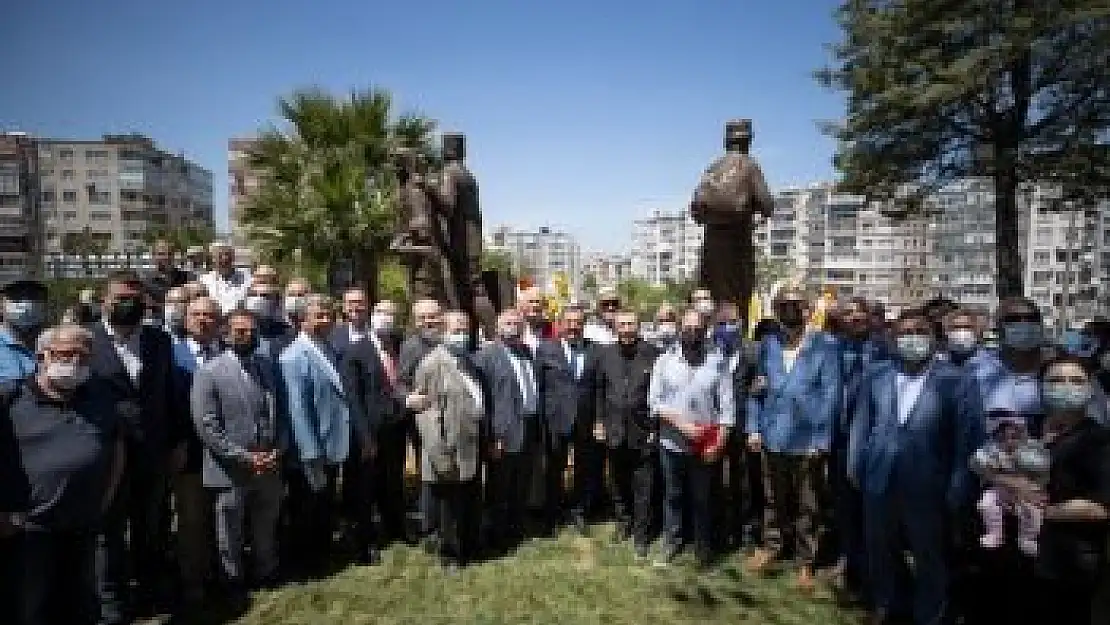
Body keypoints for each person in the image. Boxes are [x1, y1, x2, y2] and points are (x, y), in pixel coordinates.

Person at [848, 308, 972, 625]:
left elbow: (966, 435)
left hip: (928, 482)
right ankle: (889, 604)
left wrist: (960, 480)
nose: (912, 339)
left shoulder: (955, 379)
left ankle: (929, 612)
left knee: (928, 550)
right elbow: (861, 422)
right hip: (878, 475)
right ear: (892, 338)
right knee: (881, 547)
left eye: (920, 332)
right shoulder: (876, 374)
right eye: (904, 332)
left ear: (933, 338)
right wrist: (854, 462)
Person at [0, 325, 125, 625]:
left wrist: (104, 499)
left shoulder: (99, 396)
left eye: (83, 357)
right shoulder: (11, 399)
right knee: (29, 608)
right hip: (29, 529)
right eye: (66, 354)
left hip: (83, 526)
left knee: (80, 606)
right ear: (43, 356)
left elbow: (116, 447)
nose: (75, 364)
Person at [89, 270, 182, 624]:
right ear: (104, 302)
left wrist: (176, 442)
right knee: (107, 534)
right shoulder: (89, 341)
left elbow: (169, 394)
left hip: (153, 452)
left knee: (151, 527)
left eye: (135, 298)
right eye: (120, 298)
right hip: (108, 456)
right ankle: (110, 604)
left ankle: (150, 593)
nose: (128, 304)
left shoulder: (159, 341)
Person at [745, 287, 841, 589]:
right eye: (782, 306)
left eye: (795, 306)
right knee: (773, 499)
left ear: (807, 310)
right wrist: (753, 427)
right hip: (772, 437)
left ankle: (805, 561)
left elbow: (831, 395)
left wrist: (822, 439)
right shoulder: (768, 345)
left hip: (807, 442)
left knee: (808, 504)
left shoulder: (825, 346)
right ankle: (772, 547)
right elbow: (756, 390)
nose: (789, 312)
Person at [192, 308, 286, 594]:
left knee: (265, 519)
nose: (248, 336)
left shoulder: (267, 366)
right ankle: (233, 580)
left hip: (268, 462)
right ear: (226, 334)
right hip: (231, 466)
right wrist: (244, 457)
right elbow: (207, 426)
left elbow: (280, 410)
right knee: (229, 526)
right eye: (240, 331)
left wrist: (277, 449)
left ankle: (266, 570)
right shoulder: (209, 372)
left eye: (252, 330)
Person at [648, 308, 735, 567]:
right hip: (672, 442)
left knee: (702, 498)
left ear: (705, 330)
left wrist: (720, 440)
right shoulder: (664, 361)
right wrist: (680, 423)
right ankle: (672, 543)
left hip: (705, 445)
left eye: (697, 329)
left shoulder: (718, 361)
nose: (692, 334)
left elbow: (727, 407)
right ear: (679, 330)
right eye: (687, 329)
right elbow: (654, 402)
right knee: (672, 496)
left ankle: (703, 547)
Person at [279, 294, 350, 569]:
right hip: (311, 448)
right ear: (302, 320)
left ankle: (323, 550)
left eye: (329, 315)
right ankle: (307, 559)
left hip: (331, 441)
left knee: (323, 502)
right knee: (306, 505)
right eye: (318, 315)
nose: (326, 320)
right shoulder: (294, 357)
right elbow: (297, 410)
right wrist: (310, 452)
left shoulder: (329, 348)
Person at [411, 311, 486, 570]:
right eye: (456, 329)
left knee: (469, 501)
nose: (462, 334)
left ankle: (469, 545)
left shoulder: (468, 361)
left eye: (465, 329)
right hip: (447, 449)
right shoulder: (432, 364)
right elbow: (426, 414)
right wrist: (440, 456)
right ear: (443, 330)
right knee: (450, 509)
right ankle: (450, 555)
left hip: (471, 444)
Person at [342, 299, 407, 562]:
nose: (385, 317)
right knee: (365, 489)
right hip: (368, 432)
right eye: (381, 312)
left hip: (395, 428)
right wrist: (365, 437)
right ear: (372, 315)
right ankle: (365, 542)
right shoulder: (356, 351)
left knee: (392, 483)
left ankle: (395, 529)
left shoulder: (399, 346)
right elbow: (353, 397)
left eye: (391, 313)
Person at [168, 296, 222, 606]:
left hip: (223, 452)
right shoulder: (173, 355)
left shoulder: (226, 353)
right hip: (188, 452)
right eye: (197, 315)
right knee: (191, 519)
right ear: (186, 319)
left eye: (209, 315)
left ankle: (218, 570)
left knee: (220, 516)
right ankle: (192, 580)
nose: (203, 320)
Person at [474, 309, 541, 551]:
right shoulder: (485, 356)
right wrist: (492, 437)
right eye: (508, 323)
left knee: (521, 485)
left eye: (517, 323)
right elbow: (484, 401)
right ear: (498, 327)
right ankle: (496, 535)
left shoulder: (526, 352)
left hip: (529, 427)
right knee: (499, 489)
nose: (513, 327)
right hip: (502, 434)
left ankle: (516, 529)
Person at [596, 310, 660, 558]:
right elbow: (600, 390)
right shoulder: (606, 354)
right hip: (614, 431)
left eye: (630, 324)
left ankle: (642, 535)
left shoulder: (653, 354)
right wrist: (599, 421)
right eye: (621, 325)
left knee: (643, 488)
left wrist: (655, 428)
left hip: (643, 433)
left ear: (638, 326)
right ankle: (624, 524)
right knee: (618, 484)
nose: (625, 329)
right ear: (615, 327)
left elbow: (660, 394)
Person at [535, 306, 602, 535]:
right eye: (569, 321)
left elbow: (599, 387)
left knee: (584, 468)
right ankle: (552, 514)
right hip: (556, 419)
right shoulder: (546, 349)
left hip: (585, 420)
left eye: (578, 322)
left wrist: (599, 419)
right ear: (561, 324)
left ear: (584, 325)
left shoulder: (595, 350)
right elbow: (539, 387)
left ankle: (579, 511)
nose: (573, 326)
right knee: (554, 468)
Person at [970, 415, 1048, 556]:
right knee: (986, 503)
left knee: (1034, 511)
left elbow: (1042, 466)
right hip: (1000, 491)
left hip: (1025, 493)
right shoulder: (992, 451)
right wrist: (992, 464)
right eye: (1004, 438)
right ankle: (995, 533)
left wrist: (1022, 460)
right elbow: (976, 463)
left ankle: (1028, 538)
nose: (1009, 442)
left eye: (1014, 437)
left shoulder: (1031, 450)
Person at [0, 280, 49, 383]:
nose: (26, 304)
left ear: (45, 306)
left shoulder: (59, 344)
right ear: (1, 305)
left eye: (33, 297)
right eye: (16, 297)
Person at [198, 242, 251, 315]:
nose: (224, 259)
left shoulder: (247, 278)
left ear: (233, 258)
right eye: (220, 256)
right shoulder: (204, 280)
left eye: (227, 255)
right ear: (213, 259)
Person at [142, 239, 191, 308]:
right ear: (153, 256)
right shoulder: (146, 282)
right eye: (161, 254)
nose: (166, 257)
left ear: (174, 256)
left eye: (169, 253)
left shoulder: (187, 278)